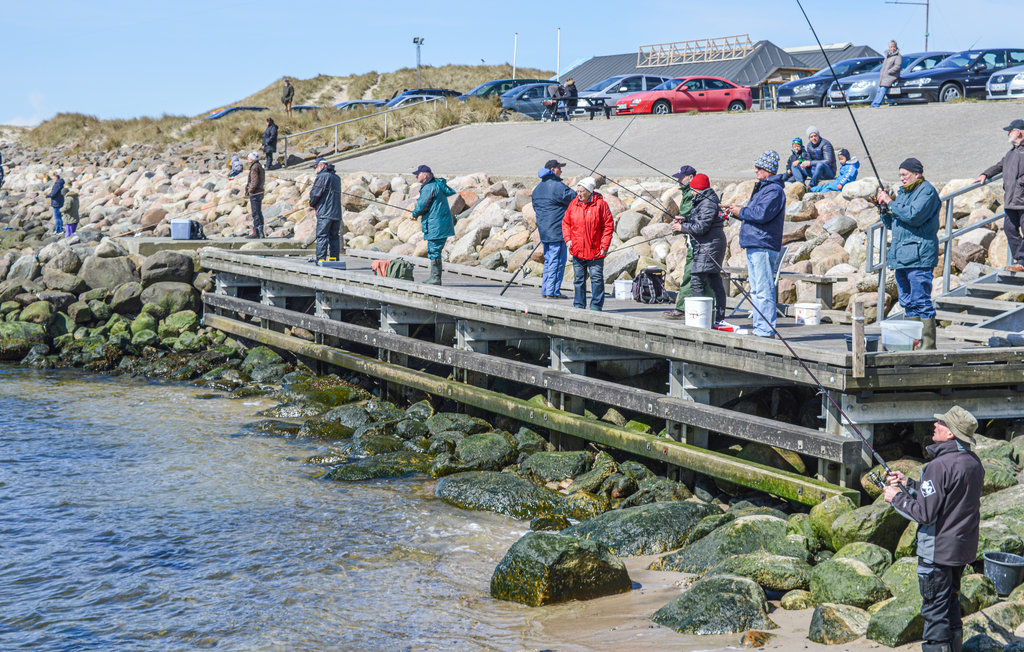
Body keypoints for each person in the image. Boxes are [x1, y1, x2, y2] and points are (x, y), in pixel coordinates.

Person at [883, 405, 984, 652]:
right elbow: (947, 498)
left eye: (941, 424)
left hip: (937, 554)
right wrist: (909, 483)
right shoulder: (973, 463)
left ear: (951, 434)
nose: (935, 425)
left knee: (935, 618)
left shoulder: (938, 466)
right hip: (959, 552)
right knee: (951, 610)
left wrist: (895, 497)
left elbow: (925, 514)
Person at [876, 157, 941, 349]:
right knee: (907, 302)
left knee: (921, 301)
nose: (902, 178)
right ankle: (913, 345)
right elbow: (893, 223)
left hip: (919, 257)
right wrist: (883, 209)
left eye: (905, 174)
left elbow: (913, 215)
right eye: (900, 175)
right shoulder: (904, 193)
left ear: (917, 174)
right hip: (902, 256)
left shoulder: (927, 191)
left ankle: (928, 348)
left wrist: (891, 202)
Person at [723, 150, 786, 338]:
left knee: (764, 289)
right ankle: (760, 328)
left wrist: (739, 212)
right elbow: (755, 212)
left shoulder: (774, 190)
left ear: (768, 169)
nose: (756, 170)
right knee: (757, 290)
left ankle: (765, 330)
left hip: (763, 245)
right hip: (755, 244)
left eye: (759, 167)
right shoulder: (764, 188)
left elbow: (760, 214)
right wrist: (737, 211)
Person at [673, 174, 727, 325]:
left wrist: (682, 227)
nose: (691, 192)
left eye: (693, 189)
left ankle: (702, 317)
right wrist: (685, 220)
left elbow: (701, 227)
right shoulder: (704, 201)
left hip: (710, 245)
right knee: (714, 279)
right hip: (710, 244)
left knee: (697, 279)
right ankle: (718, 317)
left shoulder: (708, 203)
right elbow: (700, 221)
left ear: (699, 188)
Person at [974, 118, 1024, 272]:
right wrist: (985, 174)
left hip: (1022, 199)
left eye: (1010, 131)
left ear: (1019, 133)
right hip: (1011, 200)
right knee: (1009, 229)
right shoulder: (1011, 153)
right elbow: (999, 166)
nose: (1008, 134)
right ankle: (1020, 260)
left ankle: (1022, 261)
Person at [562, 177, 614, 311]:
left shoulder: (601, 205)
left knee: (596, 279)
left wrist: (604, 246)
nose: (579, 194)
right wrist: (568, 240)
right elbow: (566, 223)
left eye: (582, 191)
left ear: (590, 191)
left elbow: (608, 227)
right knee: (579, 280)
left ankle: (596, 305)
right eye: (578, 191)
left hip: (596, 251)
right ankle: (579, 305)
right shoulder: (573, 204)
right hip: (577, 250)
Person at [531, 159, 576, 299]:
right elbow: (575, 197)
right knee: (557, 261)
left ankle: (546, 289)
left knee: (549, 260)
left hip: (544, 232)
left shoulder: (537, 188)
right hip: (557, 231)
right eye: (559, 168)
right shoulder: (557, 186)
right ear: (552, 170)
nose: (561, 171)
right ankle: (552, 291)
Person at [663, 164, 700, 320]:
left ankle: (683, 309)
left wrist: (683, 224)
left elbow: (696, 217)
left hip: (696, 241)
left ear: (690, 178)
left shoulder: (693, 193)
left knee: (689, 275)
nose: (678, 180)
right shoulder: (687, 192)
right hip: (692, 238)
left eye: (681, 178)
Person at [411, 164, 456, 285]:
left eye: (418, 174)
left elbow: (422, 205)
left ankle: (435, 279)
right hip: (441, 223)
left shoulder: (429, 187)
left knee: (434, 250)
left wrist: (414, 214)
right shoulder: (436, 185)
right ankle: (435, 278)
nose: (416, 176)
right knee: (434, 250)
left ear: (425, 175)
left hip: (436, 224)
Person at [308, 157, 343, 261]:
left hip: (324, 213)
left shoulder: (322, 176)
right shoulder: (337, 178)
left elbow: (316, 194)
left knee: (322, 237)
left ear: (322, 165)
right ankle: (334, 260)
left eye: (315, 166)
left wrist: (312, 203)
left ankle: (321, 260)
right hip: (336, 214)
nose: (314, 169)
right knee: (334, 237)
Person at [872, 41, 902, 108]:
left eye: (892, 47)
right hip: (884, 76)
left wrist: (889, 71)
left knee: (883, 90)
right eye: (890, 47)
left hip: (891, 76)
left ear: (895, 47)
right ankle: (873, 104)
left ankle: (877, 104)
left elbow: (897, 66)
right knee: (879, 90)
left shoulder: (898, 56)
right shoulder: (887, 56)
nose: (891, 48)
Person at [245, 151, 265, 239]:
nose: (248, 159)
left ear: (252, 159)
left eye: (249, 157)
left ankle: (257, 232)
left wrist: (250, 191)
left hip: (255, 193)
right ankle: (261, 233)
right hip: (260, 192)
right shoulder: (259, 165)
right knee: (259, 213)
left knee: (255, 213)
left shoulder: (254, 167)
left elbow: (254, 181)